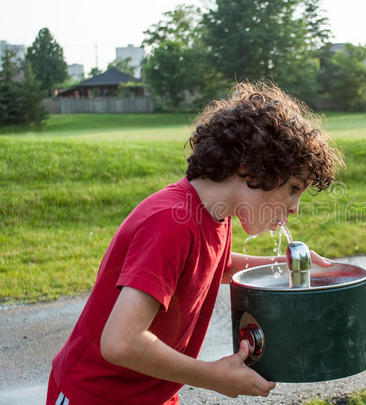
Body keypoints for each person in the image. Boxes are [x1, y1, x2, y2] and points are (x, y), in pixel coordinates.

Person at [46, 82, 344, 405]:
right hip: (96, 395)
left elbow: (217, 265)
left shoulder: (213, 214)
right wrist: (214, 376)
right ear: (250, 167)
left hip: (152, 393)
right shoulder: (170, 224)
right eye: (294, 188)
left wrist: (284, 267)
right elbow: (121, 342)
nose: (295, 207)